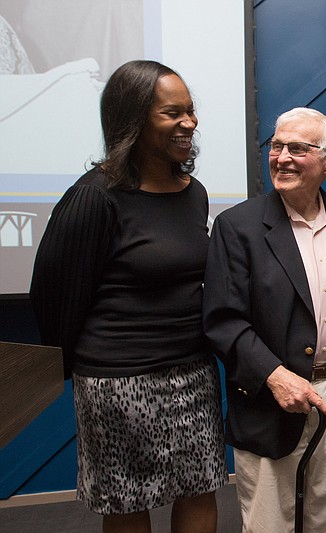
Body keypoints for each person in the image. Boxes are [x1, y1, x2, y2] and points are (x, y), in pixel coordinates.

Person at [29, 60, 227, 532]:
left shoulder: (192, 191)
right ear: (133, 121)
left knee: (202, 487)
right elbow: (52, 296)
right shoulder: (95, 196)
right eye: (172, 113)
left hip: (193, 373)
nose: (189, 123)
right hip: (118, 381)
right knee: (126, 502)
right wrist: (87, 367)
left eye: (191, 111)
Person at [203, 107, 326, 532]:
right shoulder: (236, 227)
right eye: (276, 146)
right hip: (269, 401)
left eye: (298, 148)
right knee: (268, 523)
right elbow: (224, 321)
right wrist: (276, 377)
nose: (281, 158)